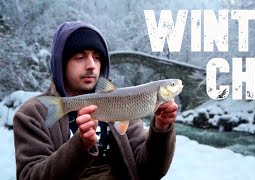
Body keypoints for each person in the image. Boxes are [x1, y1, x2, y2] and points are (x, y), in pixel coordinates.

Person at [13, 21, 177, 180]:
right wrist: (80, 146)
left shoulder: (124, 101)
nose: (91, 65)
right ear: (60, 63)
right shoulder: (33, 113)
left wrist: (161, 131)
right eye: (80, 57)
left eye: (97, 57)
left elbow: (150, 172)